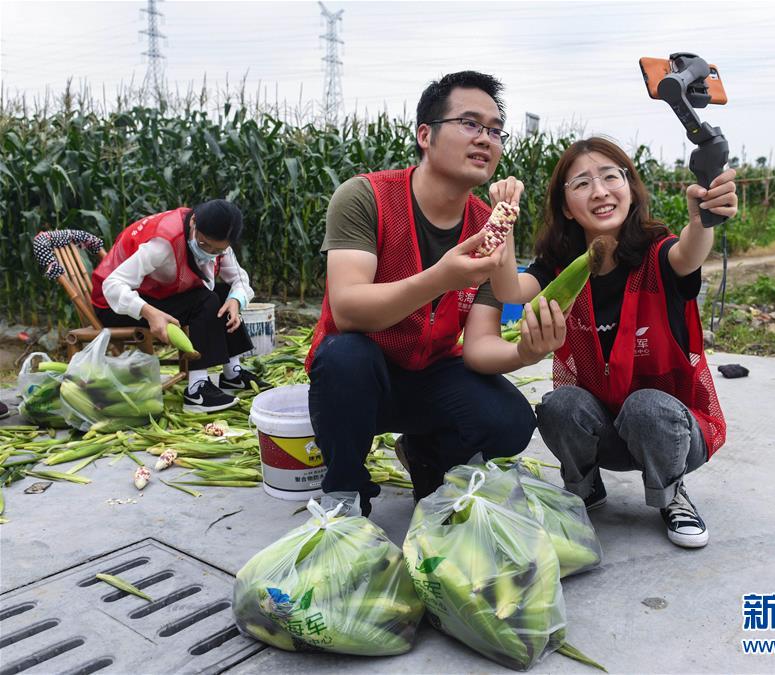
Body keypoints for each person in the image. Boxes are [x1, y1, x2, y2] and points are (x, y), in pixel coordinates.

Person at [304, 71, 559, 516]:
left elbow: (479, 348)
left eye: (495, 130)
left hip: (429, 375)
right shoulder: (366, 198)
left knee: (512, 421)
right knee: (344, 356)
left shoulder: (488, 226)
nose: (486, 138)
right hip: (363, 379)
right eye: (470, 123)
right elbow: (347, 310)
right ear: (425, 134)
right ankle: (345, 491)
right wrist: (441, 277)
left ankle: (427, 459)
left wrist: (526, 353)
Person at [463, 136, 738, 548]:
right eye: (582, 184)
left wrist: (702, 221)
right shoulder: (560, 267)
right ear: (566, 208)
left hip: (672, 431)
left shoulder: (658, 254)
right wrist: (503, 219)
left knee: (648, 407)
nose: (601, 191)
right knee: (558, 404)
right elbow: (509, 291)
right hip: (603, 430)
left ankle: (672, 492)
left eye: (611, 176)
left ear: (630, 188)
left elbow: (688, 253)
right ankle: (585, 485)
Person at [91, 199, 270, 413]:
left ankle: (233, 374)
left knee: (224, 296)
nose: (210, 252)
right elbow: (112, 286)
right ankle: (197, 390)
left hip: (157, 295)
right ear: (193, 222)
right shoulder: (163, 243)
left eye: (218, 250)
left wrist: (236, 300)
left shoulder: (220, 242)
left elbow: (239, 279)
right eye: (204, 244)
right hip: (116, 307)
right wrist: (148, 312)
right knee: (206, 300)